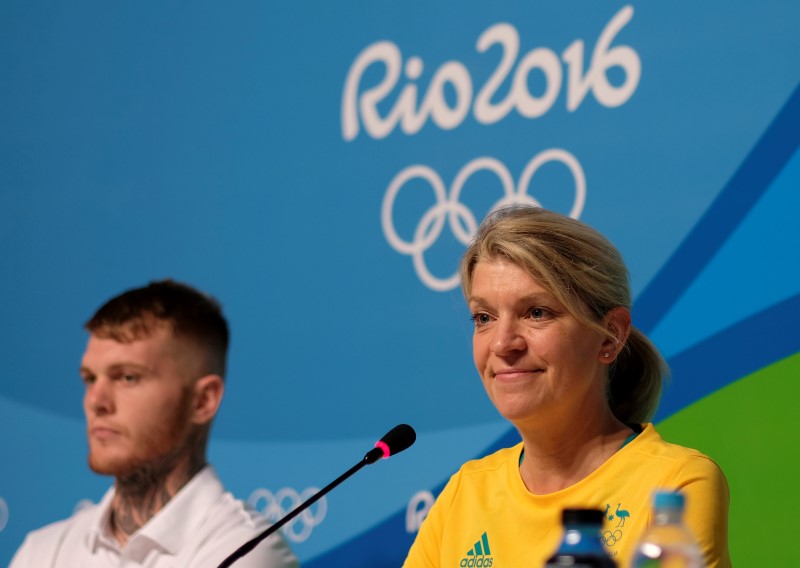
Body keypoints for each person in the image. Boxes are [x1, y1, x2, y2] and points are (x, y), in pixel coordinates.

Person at [403, 206, 730, 568]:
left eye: (536, 312)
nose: (501, 343)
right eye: (484, 318)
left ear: (610, 336)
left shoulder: (675, 485)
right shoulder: (463, 494)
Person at [10, 280, 299, 567]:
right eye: (90, 378)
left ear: (202, 401)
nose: (96, 401)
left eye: (127, 377)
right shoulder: (42, 551)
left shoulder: (244, 551)